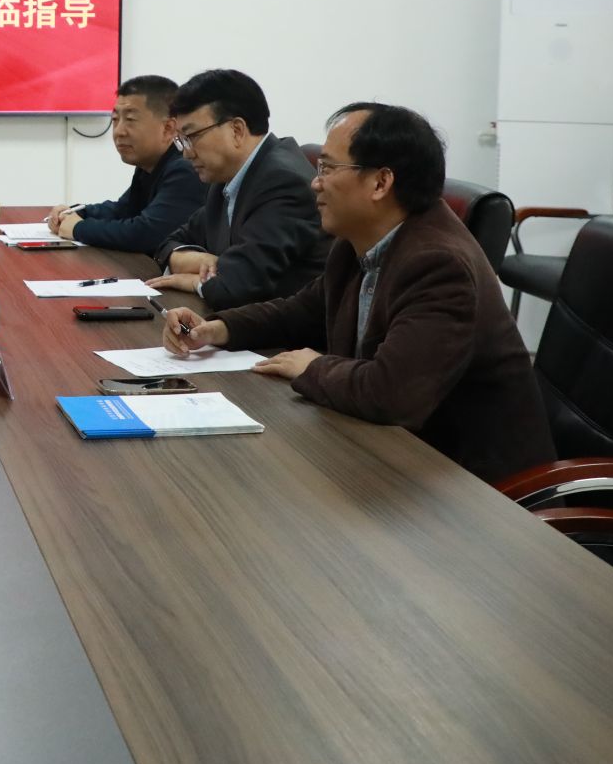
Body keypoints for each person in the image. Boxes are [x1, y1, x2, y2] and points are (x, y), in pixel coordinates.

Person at [162, 103, 552, 484]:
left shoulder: (438, 264)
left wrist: (312, 367)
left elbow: (393, 393)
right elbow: (300, 312)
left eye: (328, 168)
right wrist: (216, 328)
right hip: (394, 459)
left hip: (474, 488)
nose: (315, 182)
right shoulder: (359, 241)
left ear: (381, 183)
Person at [148, 68, 326, 309]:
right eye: (181, 141)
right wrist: (198, 260)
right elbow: (170, 242)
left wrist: (194, 281)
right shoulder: (228, 177)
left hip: (286, 329)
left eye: (191, 136)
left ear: (237, 130)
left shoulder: (282, 182)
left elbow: (239, 285)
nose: (186, 153)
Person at [45, 75, 199, 257]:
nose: (118, 132)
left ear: (168, 129)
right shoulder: (149, 164)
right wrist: (78, 212)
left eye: (130, 120)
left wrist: (78, 228)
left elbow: (146, 234)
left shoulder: (186, 169)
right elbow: (123, 210)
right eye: (115, 119)